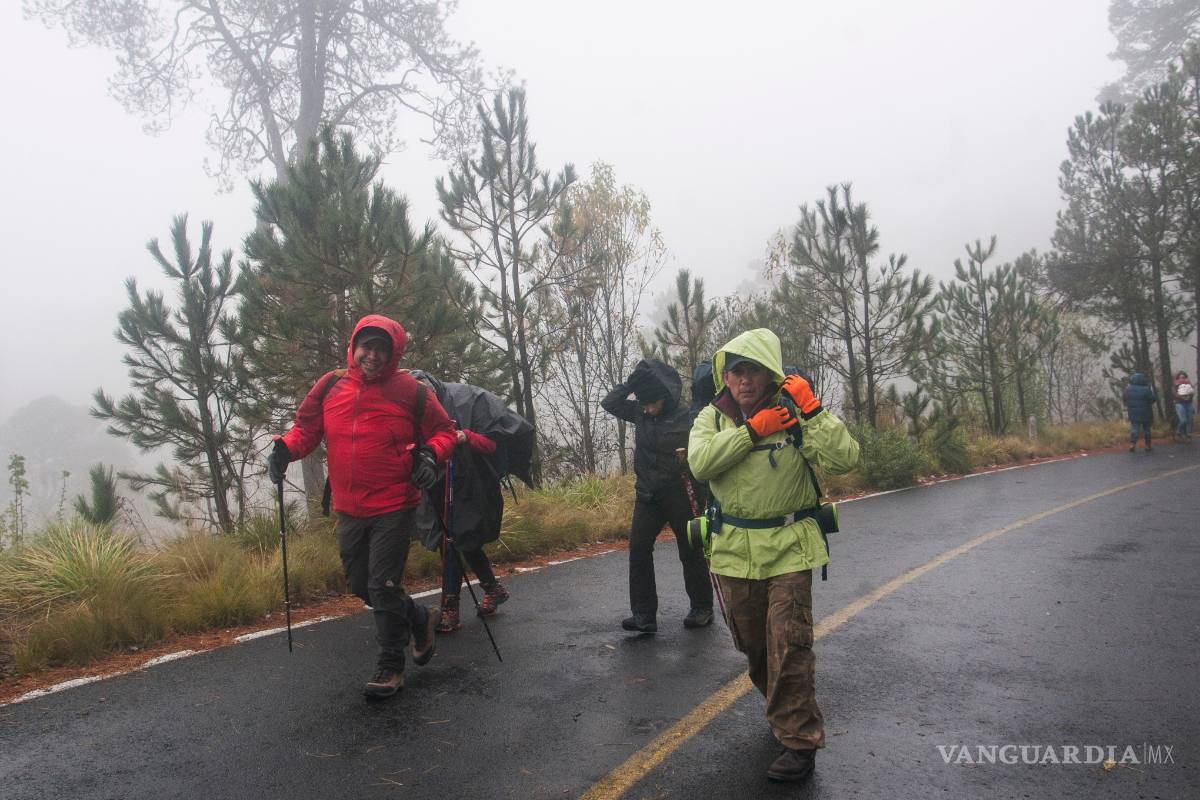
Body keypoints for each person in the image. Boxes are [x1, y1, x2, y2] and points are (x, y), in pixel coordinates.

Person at [688, 329, 858, 783]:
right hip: (733, 551)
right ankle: (782, 708)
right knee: (754, 645)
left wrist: (814, 410)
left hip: (789, 546)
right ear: (726, 375)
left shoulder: (795, 414)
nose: (744, 380)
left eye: (753, 370)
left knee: (789, 642)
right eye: (736, 371)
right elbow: (700, 464)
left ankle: (799, 739)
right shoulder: (713, 416)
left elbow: (845, 459)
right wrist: (750, 432)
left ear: (769, 373)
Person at [267, 314, 457, 699]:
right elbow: (306, 429)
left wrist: (429, 457)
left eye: (381, 349)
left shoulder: (412, 391)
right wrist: (285, 449)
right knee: (360, 585)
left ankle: (391, 667)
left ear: (394, 354)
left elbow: (444, 433)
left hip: (394, 504)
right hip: (350, 506)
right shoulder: (332, 384)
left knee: (382, 584)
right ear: (354, 347)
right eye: (366, 346)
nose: (372, 355)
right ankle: (420, 619)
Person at [409, 370, 535, 634]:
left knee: (453, 542)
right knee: (461, 541)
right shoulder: (409, 408)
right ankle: (492, 588)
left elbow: (492, 445)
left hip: (470, 484)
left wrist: (465, 436)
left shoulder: (468, 401)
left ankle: (450, 609)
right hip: (435, 484)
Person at [602, 359, 713, 633]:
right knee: (639, 549)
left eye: (652, 403)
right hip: (648, 495)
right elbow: (610, 403)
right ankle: (643, 615)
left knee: (690, 550)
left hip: (680, 493)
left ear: (665, 398)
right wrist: (631, 383)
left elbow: (704, 454)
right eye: (644, 402)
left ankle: (702, 608)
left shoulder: (687, 417)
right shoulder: (641, 412)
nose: (648, 408)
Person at [1123, 372, 1157, 452]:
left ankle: (1132, 444)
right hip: (1146, 412)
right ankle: (1147, 445)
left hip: (1133, 412)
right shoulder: (1146, 389)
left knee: (1135, 429)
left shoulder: (1128, 389)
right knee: (1147, 430)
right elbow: (1152, 399)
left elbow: (1125, 399)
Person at [1173, 370, 1195, 441]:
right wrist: (1181, 397)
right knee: (1183, 420)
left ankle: (1188, 434)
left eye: (1183, 377)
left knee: (1190, 420)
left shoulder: (1189, 384)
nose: (1182, 378)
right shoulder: (1175, 385)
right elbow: (1174, 394)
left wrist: (1189, 396)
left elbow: (1192, 392)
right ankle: (1178, 431)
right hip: (1179, 404)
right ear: (1178, 378)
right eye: (1180, 377)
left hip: (1189, 403)